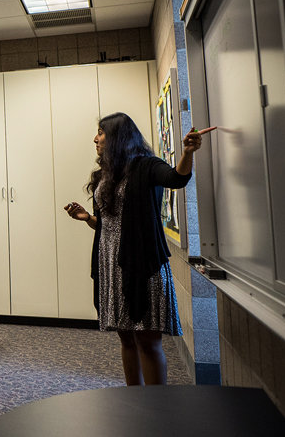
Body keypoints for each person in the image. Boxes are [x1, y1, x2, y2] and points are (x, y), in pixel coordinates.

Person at [63, 113, 215, 386]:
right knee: (126, 337)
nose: (95, 138)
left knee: (146, 339)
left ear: (117, 137)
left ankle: (157, 408)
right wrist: (88, 218)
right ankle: (134, 398)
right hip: (110, 263)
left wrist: (188, 152)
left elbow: (175, 178)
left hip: (141, 263)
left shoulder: (146, 166)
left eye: (101, 132)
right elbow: (107, 221)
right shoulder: (104, 175)